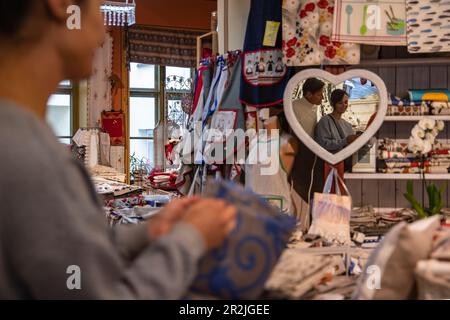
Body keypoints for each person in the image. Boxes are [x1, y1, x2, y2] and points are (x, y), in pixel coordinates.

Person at [0, 0, 237, 299]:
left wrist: (146, 234)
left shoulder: (18, 137)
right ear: (61, 6)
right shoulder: (33, 159)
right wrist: (190, 241)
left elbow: (66, 263)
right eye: (98, 8)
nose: (102, 32)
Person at [290, 78, 325, 231]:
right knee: (300, 188)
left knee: (315, 187)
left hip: (313, 152)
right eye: (319, 95)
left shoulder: (314, 107)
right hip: (299, 154)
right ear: (308, 94)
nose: (322, 98)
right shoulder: (294, 106)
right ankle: (301, 224)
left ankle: (312, 224)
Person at [315, 89, 360, 171]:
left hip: (346, 167)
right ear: (333, 104)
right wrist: (345, 140)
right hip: (330, 167)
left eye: (346, 102)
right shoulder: (325, 121)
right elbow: (324, 145)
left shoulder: (347, 124)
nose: (344, 105)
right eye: (340, 103)